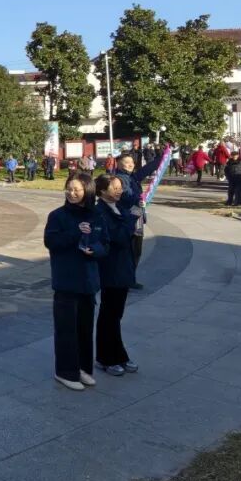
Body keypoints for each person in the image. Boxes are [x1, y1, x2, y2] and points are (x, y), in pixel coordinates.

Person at [43, 173, 108, 391]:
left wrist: (94, 250)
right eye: (69, 189)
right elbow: (51, 242)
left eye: (77, 190)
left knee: (85, 329)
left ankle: (82, 368)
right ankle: (65, 372)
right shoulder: (57, 216)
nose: (72, 193)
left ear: (87, 191)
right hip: (66, 280)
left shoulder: (97, 215)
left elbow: (105, 244)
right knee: (66, 329)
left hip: (88, 281)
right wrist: (74, 233)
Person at [94, 174, 138, 376]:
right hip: (110, 269)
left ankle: (119, 354)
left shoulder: (119, 207)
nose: (119, 191)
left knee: (115, 315)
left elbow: (133, 198)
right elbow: (119, 237)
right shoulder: (100, 212)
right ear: (102, 191)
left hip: (123, 267)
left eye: (120, 187)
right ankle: (105, 358)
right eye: (115, 188)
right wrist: (132, 219)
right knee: (109, 315)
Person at [114, 151, 161, 287]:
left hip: (137, 218)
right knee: (128, 251)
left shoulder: (132, 177)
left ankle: (130, 278)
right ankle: (124, 279)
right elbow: (126, 195)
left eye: (132, 162)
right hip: (127, 219)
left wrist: (162, 158)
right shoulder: (120, 179)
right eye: (126, 162)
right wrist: (138, 199)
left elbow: (146, 170)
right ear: (119, 164)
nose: (130, 165)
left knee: (136, 250)